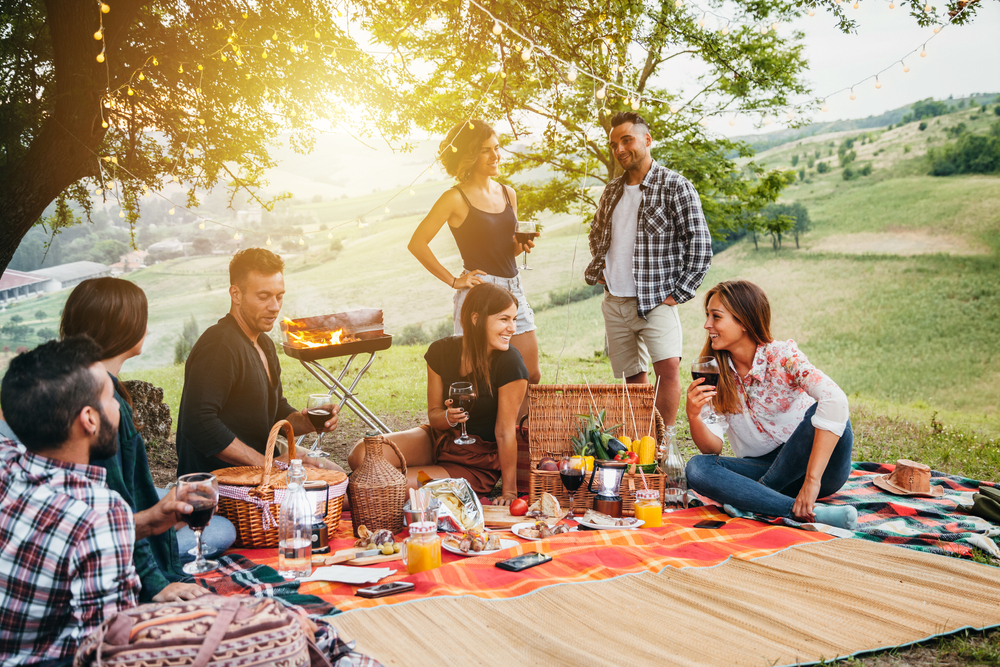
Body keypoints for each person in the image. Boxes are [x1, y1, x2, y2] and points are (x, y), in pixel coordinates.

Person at [0, 337, 196, 666]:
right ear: (89, 419)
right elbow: (108, 650)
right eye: (111, 398)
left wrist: (148, 521)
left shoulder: (6, 461)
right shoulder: (100, 513)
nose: (121, 407)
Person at [60, 277, 233, 578]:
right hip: (110, 533)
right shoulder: (105, 402)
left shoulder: (73, 380)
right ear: (123, 325)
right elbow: (116, 504)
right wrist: (156, 576)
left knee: (180, 498)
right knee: (221, 529)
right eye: (143, 319)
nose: (148, 328)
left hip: (99, 515)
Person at [684, 280, 857, 530]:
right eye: (707, 316)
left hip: (818, 468)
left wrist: (811, 481)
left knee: (823, 409)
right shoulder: (716, 372)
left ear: (743, 321)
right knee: (698, 468)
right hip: (762, 467)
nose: (707, 324)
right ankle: (804, 512)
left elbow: (836, 399)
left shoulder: (782, 356)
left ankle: (756, 497)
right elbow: (713, 447)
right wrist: (694, 416)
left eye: (716, 316)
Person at [584, 111, 713, 429]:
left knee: (667, 369)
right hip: (615, 301)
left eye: (626, 140)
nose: (620, 149)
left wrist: (680, 291)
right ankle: (643, 442)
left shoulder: (675, 186)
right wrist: (600, 268)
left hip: (656, 298)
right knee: (633, 375)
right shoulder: (612, 191)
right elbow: (596, 233)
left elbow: (699, 244)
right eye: (614, 144)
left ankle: (664, 443)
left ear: (646, 139)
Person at [348, 283, 528, 504]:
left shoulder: (511, 362)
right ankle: (349, 489)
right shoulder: (440, 352)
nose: (512, 328)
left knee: (384, 487)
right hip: (439, 440)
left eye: (514, 319)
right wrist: (447, 417)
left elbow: (505, 431)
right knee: (360, 455)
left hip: (475, 463)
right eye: (504, 319)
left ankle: (331, 498)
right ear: (476, 318)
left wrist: (509, 492)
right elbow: (434, 415)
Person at [175, 248, 340, 478]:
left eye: (279, 296)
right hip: (222, 480)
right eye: (264, 297)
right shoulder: (219, 345)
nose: (274, 306)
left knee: (337, 475)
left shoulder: (264, 343)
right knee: (338, 492)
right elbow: (198, 424)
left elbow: (274, 411)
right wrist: (267, 465)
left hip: (260, 464)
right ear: (236, 294)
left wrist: (308, 421)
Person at [408, 119, 541, 391]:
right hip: (479, 294)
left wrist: (521, 246)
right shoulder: (455, 198)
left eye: (497, 147)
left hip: (513, 289)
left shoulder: (508, 193)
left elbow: (507, 250)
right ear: (469, 154)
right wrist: (454, 281)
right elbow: (417, 243)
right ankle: (486, 433)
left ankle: (518, 431)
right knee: (480, 379)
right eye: (486, 150)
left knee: (530, 374)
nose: (496, 156)